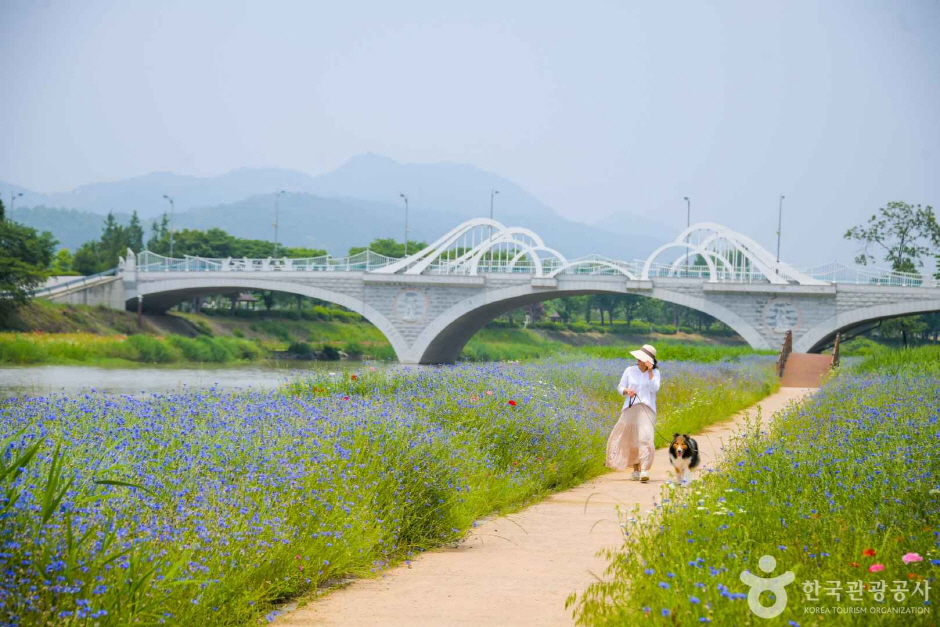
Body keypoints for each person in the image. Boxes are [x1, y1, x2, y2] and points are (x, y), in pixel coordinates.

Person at [605, 344, 661, 482]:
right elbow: (620, 387)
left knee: (645, 438)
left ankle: (644, 470)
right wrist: (626, 391)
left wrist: (649, 372)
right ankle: (635, 470)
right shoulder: (630, 370)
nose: (639, 361)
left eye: (642, 359)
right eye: (639, 358)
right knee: (632, 439)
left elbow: (654, 389)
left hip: (647, 409)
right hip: (630, 409)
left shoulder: (655, 373)